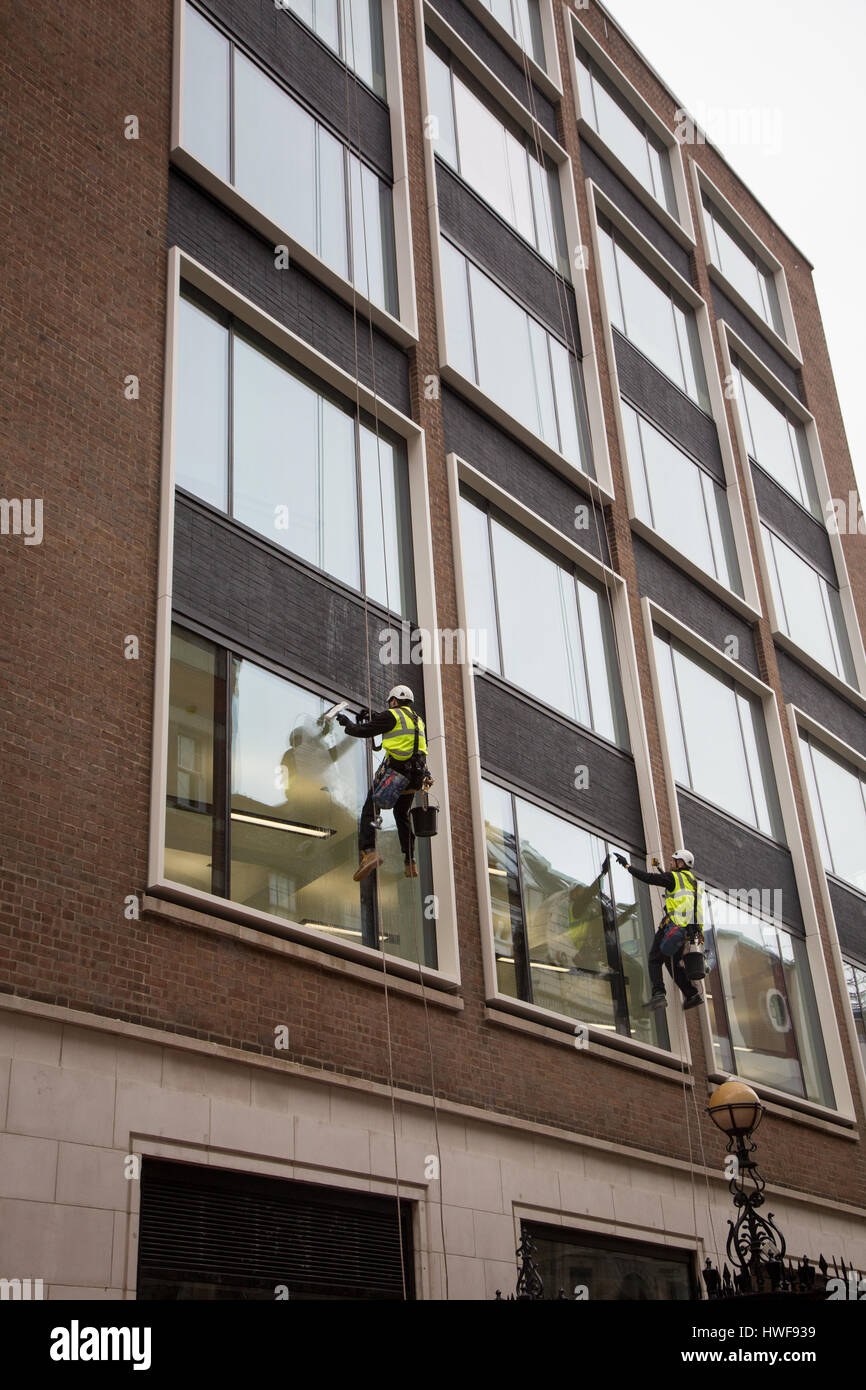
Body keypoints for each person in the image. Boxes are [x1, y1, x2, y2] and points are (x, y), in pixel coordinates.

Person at [337, 685, 428, 882]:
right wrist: (377, 717)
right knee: (401, 813)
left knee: (371, 806)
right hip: (415, 777)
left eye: (390, 703)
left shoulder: (391, 715)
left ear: (394, 701)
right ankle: (410, 860)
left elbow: (363, 731)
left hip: (397, 774)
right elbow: (398, 732)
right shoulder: (417, 720)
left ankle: (369, 851)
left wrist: (347, 723)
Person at [614, 848, 703, 1011]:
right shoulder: (694, 882)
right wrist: (699, 931)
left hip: (672, 925)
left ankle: (658, 994)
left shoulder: (673, 877)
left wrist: (627, 866)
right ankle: (692, 994)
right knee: (673, 964)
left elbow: (648, 878)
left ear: (680, 863)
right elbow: (698, 908)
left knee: (654, 958)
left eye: (673, 860)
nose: (670, 863)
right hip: (685, 930)